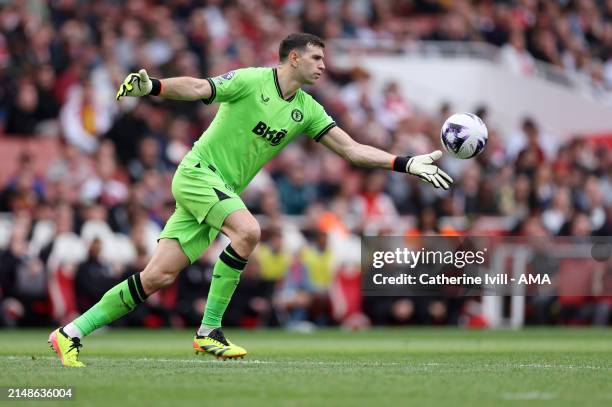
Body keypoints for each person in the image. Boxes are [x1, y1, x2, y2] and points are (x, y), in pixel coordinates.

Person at [48, 33, 452, 367]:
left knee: (158, 277)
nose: (323, 66)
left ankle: (70, 333)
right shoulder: (250, 80)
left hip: (217, 190)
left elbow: (351, 150)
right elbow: (199, 87)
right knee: (248, 230)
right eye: (316, 58)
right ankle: (209, 330)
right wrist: (153, 86)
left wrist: (405, 163)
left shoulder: (307, 109)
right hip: (197, 174)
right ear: (293, 58)